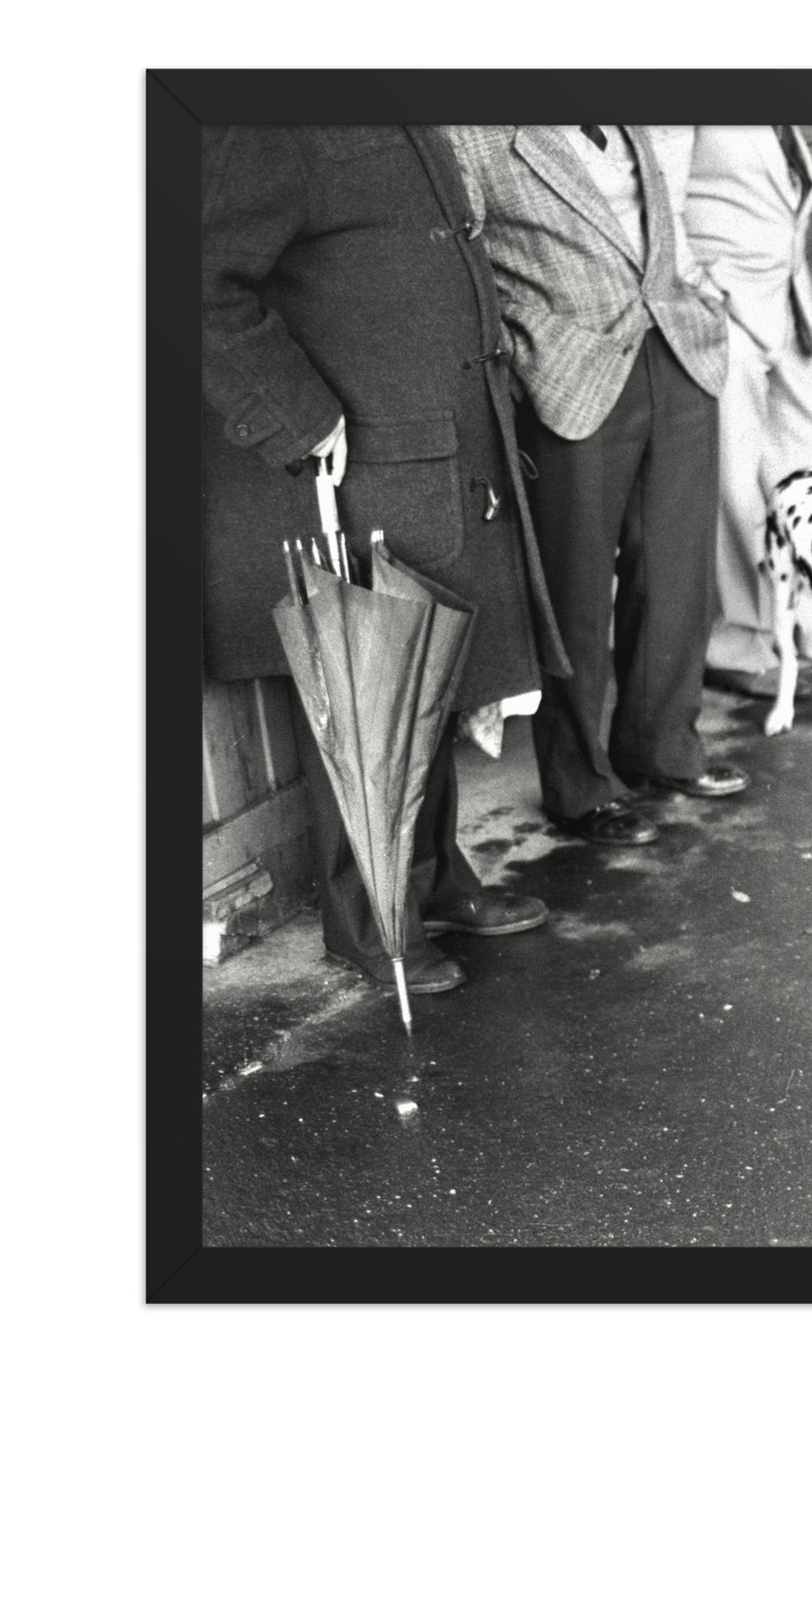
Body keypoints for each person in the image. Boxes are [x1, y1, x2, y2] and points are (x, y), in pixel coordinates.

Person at [202, 124, 561, 996]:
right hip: (349, 460)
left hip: (427, 451)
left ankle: (431, 879)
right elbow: (194, 280)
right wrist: (294, 413)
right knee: (364, 685)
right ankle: (370, 919)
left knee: (422, 677)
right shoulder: (275, 120)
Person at [445, 124, 747, 847]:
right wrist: (529, 347)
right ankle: (581, 787)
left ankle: (661, 745)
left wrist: (703, 298)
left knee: (677, 575)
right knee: (574, 595)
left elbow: (654, 220)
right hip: (569, 376)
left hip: (675, 352)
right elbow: (460, 266)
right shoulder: (471, 130)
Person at [672, 125, 812, 697]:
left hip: (785, 301)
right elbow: (658, 197)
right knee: (734, 484)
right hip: (724, 312)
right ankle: (739, 645)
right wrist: (704, 292)